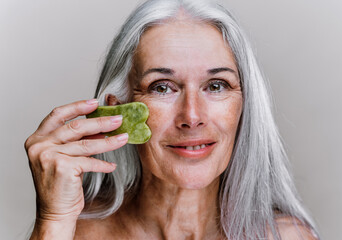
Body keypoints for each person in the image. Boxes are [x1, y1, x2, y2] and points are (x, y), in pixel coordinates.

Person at [24, 0, 320, 239]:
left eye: (216, 85)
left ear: (245, 104)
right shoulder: (75, 232)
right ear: (119, 111)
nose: (192, 117)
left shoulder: (286, 237)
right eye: (162, 87)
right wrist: (54, 222)